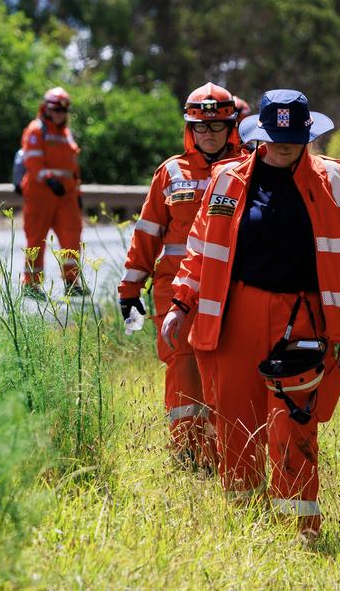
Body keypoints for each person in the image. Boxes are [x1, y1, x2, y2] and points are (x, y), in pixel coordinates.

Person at [161, 88, 340, 542]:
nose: (282, 145)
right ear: (259, 135)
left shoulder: (336, 182)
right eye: (274, 136)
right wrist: (180, 304)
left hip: (301, 316)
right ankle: (245, 527)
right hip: (234, 312)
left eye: (292, 136)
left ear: (308, 135)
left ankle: (300, 529)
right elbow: (200, 251)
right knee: (236, 421)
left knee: (294, 421)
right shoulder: (228, 180)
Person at [118, 82, 243, 469]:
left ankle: (229, 456)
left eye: (217, 126)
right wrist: (130, 287)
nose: (208, 134)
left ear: (231, 126)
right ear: (190, 129)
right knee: (184, 374)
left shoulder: (249, 167)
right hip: (173, 292)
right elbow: (148, 232)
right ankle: (189, 457)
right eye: (201, 127)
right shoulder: (170, 172)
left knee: (228, 372)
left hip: (231, 292)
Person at [19, 86, 86, 298]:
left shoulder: (66, 134)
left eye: (64, 110)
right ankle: (31, 285)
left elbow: (72, 168)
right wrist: (49, 179)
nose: (60, 114)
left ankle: (72, 282)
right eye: (56, 109)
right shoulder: (37, 130)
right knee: (36, 239)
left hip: (66, 196)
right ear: (46, 109)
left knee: (72, 237)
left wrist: (77, 192)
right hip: (41, 195)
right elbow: (33, 161)